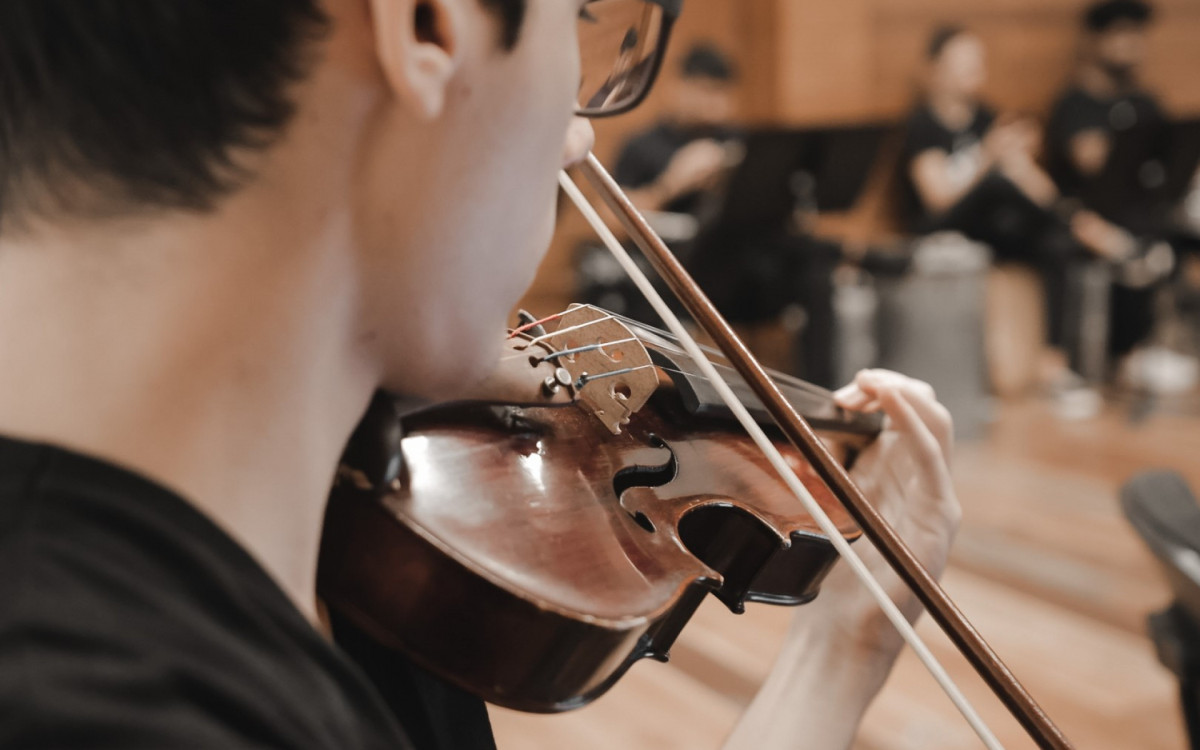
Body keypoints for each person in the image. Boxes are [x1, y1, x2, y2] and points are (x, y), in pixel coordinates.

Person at [0, 2, 961, 749]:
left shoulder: (341, 537)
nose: (580, 136)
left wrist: (844, 652)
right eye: (581, 27)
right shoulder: (99, 704)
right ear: (426, 25)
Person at [1045, 0, 1179, 373]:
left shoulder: (1146, 102)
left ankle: (1141, 352)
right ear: (1098, 40)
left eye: (1136, 35)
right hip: (1084, 217)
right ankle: (1088, 360)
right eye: (1120, 34)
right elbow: (1091, 164)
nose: (1130, 44)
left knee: (1166, 236)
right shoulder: (1075, 104)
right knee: (1108, 243)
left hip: (1140, 212)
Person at [897, 25, 1059, 265]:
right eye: (962, 61)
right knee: (996, 184)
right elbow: (938, 201)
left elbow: (1045, 195)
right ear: (936, 67)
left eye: (977, 59)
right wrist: (987, 155)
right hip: (940, 228)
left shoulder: (989, 119)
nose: (973, 68)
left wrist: (1023, 160)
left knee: (1054, 239)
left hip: (992, 225)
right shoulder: (923, 125)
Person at [614, 41, 741, 220]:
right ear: (679, 87)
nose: (713, 102)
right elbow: (612, 220)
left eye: (721, 92)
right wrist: (669, 186)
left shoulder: (738, 139)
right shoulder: (642, 146)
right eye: (706, 90)